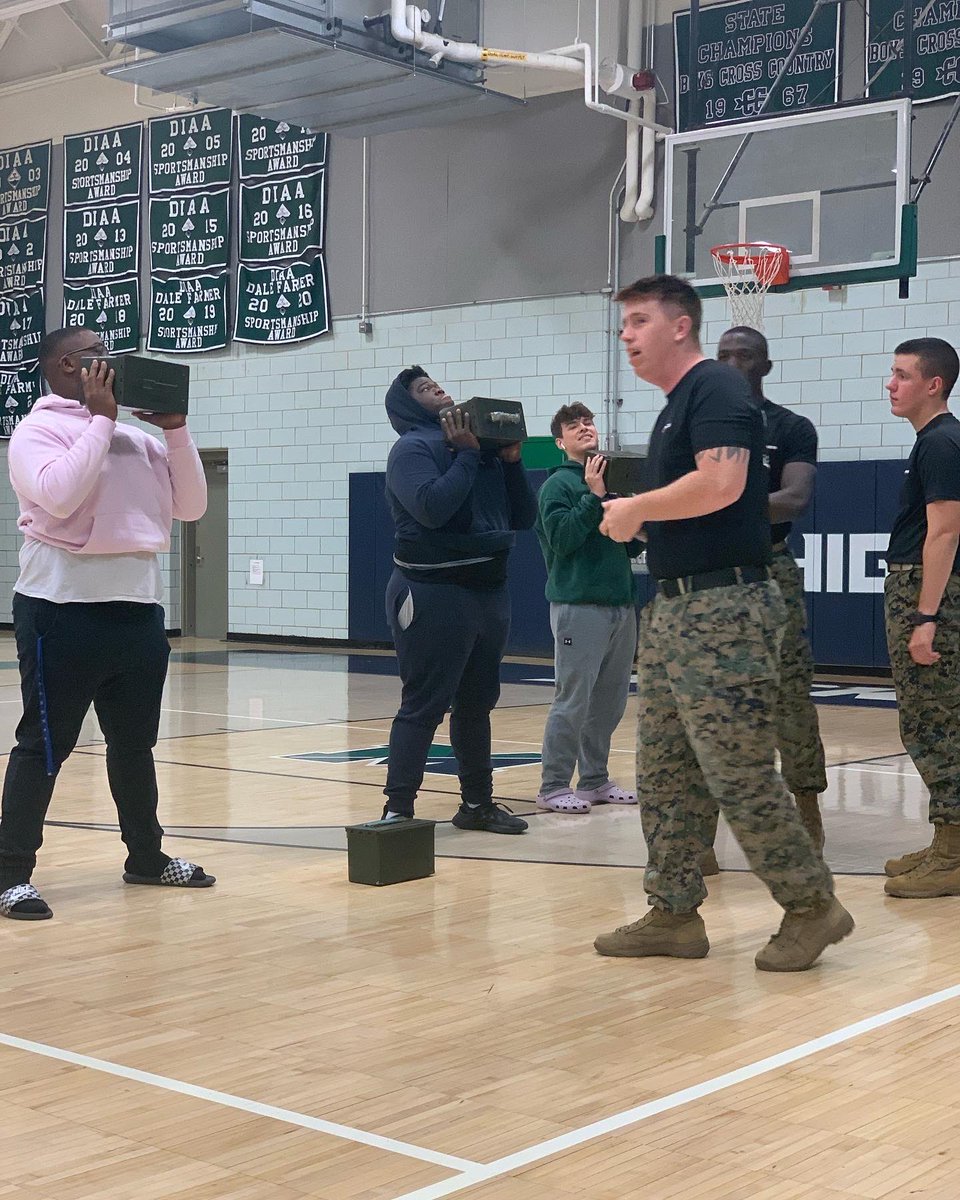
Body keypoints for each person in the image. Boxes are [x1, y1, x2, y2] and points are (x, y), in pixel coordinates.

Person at [592, 275, 853, 972]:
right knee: (667, 771)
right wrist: (638, 520)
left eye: (639, 321)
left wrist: (638, 507)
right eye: (623, 325)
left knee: (737, 770)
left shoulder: (716, 390)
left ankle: (810, 906)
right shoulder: (678, 405)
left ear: (681, 326)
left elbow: (725, 483)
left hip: (724, 611)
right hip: (678, 608)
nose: (627, 335)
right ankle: (674, 912)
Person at [0, 327, 213, 922]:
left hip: (138, 613)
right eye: (99, 352)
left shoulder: (138, 439)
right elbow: (60, 496)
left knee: (134, 745)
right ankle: (11, 874)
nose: (113, 359)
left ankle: (145, 858)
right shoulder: (36, 431)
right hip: (59, 611)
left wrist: (175, 429)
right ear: (71, 365)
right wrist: (98, 421)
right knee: (44, 746)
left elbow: (191, 506)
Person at [381, 367, 536, 833]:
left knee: (476, 703)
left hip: (488, 590)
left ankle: (476, 804)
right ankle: (398, 810)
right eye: (426, 390)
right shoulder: (412, 449)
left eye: (439, 384)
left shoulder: (481, 449)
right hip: (432, 592)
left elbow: (523, 516)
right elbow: (432, 508)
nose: (440, 390)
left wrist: (509, 463)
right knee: (423, 704)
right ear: (408, 407)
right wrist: (467, 458)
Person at [714, 326, 828, 852]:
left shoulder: (790, 427)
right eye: (725, 355)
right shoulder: (696, 424)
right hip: (708, 573)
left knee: (789, 694)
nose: (734, 362)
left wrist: (722, 502)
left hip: (769, 566)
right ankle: (700, 834)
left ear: (765, 365)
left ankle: (806, 807)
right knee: (707, 703)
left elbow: (794, 498)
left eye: (745, 355)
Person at [880, 338, 960, 899]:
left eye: (903, 375)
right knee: (934, 719)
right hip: (926, 593)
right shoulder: (936, 441)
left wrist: (925, 616)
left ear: (933, 385)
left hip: (930, 595)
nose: (891, 384)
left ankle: (953, 855)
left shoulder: (941, 443)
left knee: (934, 723)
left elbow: (946, 531)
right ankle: (947, 840)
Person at [534, 402, 639, 814]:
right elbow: (562, 539)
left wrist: (634, 513)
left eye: (589, 421)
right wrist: (594, 498)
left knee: (610, 700)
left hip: (620, 603)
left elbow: (628, 544)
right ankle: (553, 785)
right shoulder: (557, 486)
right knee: (573, 697)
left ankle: (594, 780)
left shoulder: (612, 482)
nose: (584, 427)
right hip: (578, 605)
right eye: (573, 425)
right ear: (560, 441)